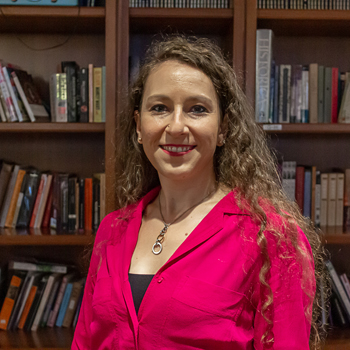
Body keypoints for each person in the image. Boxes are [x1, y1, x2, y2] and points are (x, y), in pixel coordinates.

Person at [72, 35, 326, 350]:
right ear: (139, 126)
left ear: (223, 128)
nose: (176, 126)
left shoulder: (272, 236)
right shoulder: (112, 229)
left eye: (197, 109)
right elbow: (84, 342)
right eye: (160, 108)